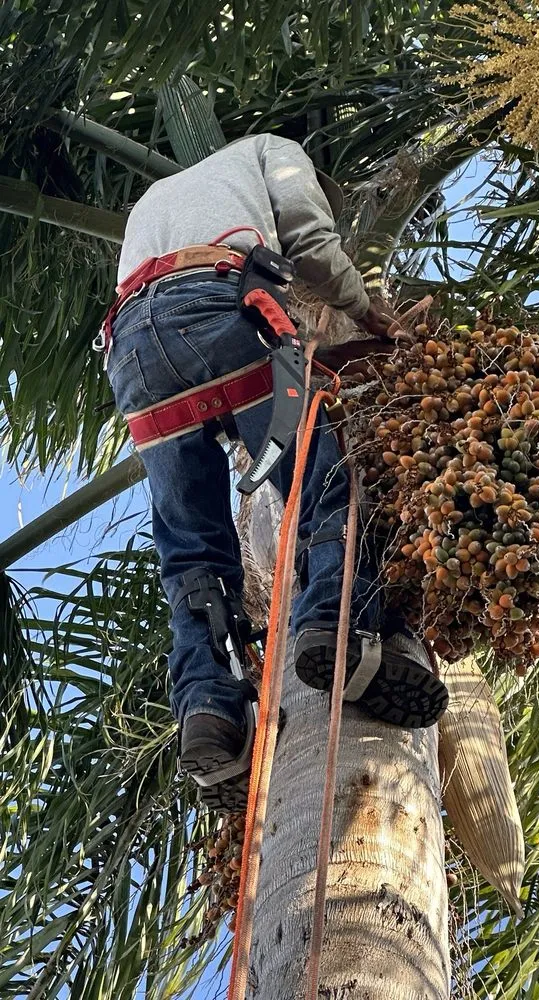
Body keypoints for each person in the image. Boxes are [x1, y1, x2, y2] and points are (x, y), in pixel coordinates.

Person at [103, 133, 449, 811]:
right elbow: (311, 239)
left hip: (133, 355)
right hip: (222, 311)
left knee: (193, 553)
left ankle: (210, 709)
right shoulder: (271, 149)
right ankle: (339, 629)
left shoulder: (157, 199)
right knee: (325, 484)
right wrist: (366, 310)